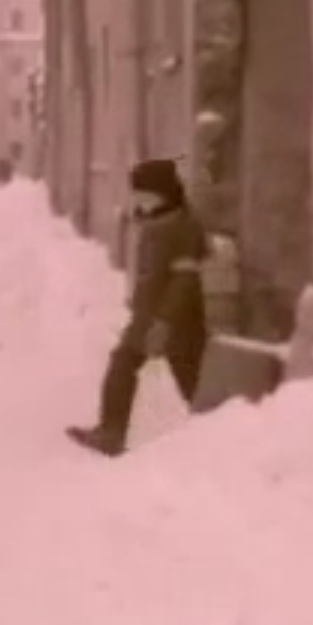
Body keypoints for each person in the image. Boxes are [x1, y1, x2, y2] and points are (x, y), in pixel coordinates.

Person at [68, 158, 210, 457]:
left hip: (177, 320)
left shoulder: (182, 227)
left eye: (144, 194)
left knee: (189, 381)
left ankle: (210, 438)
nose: (139, 199)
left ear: (162, 194)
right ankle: (111, 432)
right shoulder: (156, 221)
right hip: (149, 316)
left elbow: (184, 282)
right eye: (138, 194)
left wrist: (165, 321)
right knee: (123, 363)